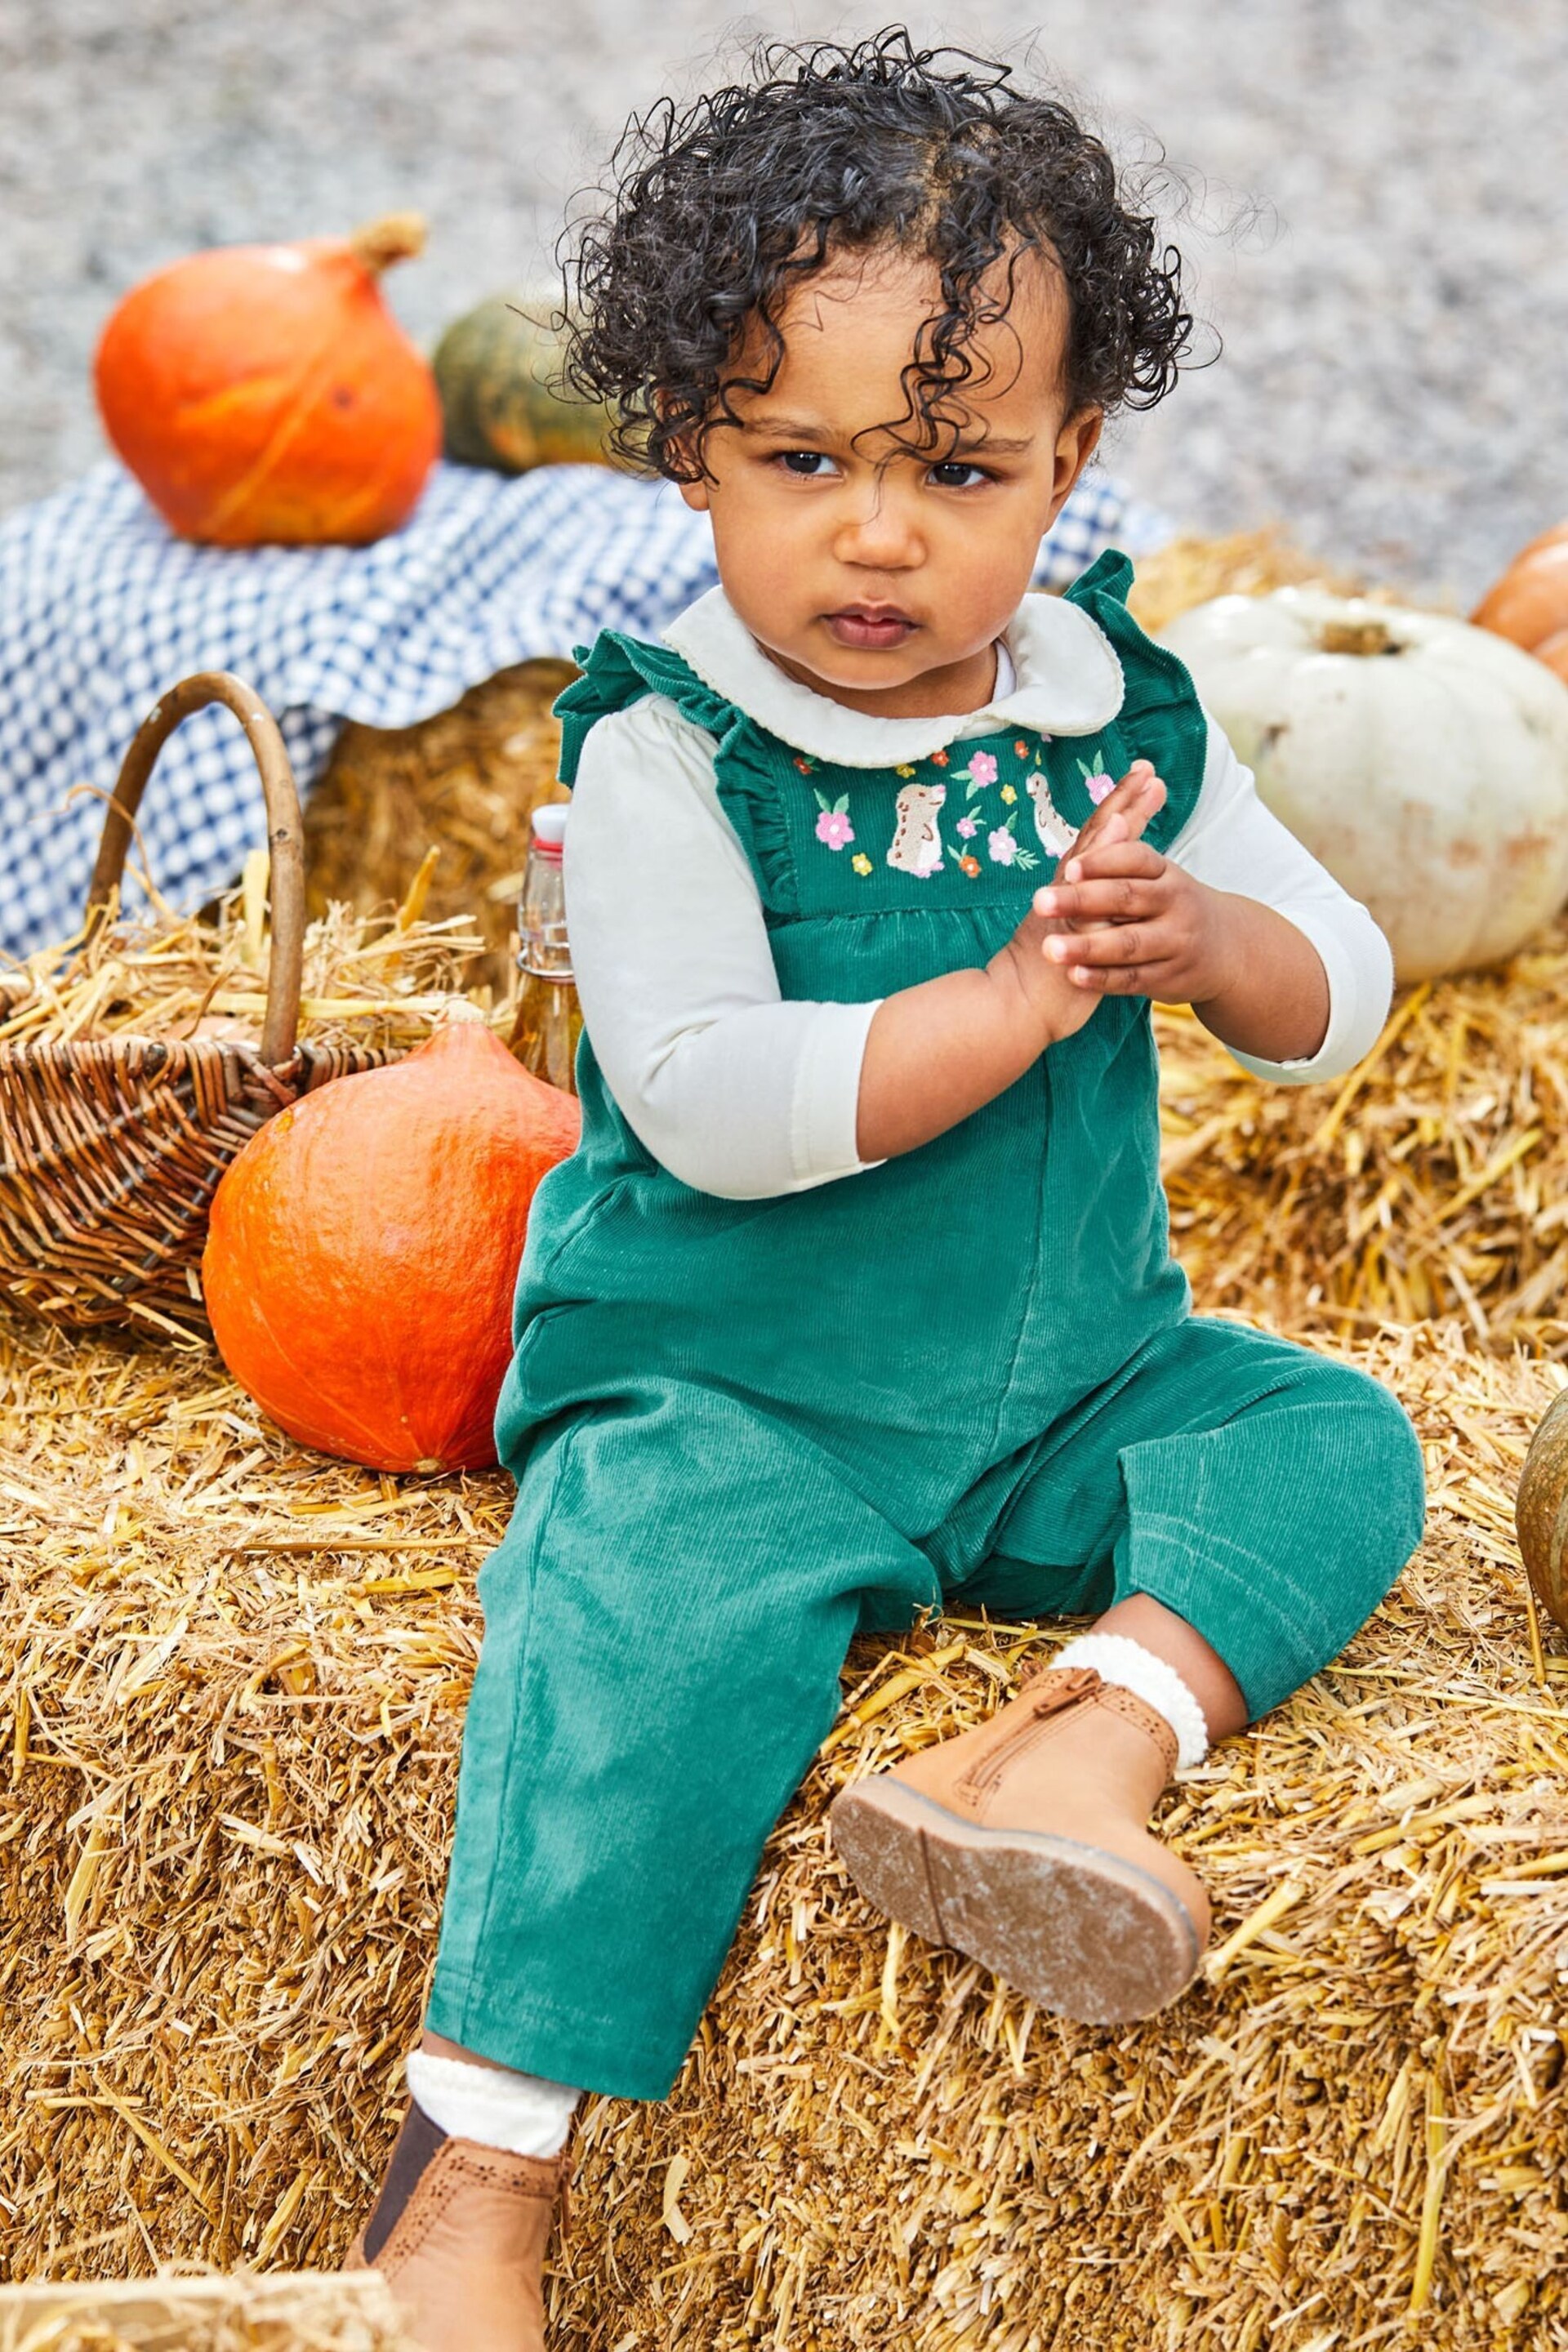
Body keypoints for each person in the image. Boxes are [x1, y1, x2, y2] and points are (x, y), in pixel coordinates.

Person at [347, 33, 1426, 2346]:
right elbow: (720, 1099)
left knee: (1335, 1441)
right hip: (735, 1392)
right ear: (687, 456)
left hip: (1060, 1389)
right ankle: (471, 2195)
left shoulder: (1117, 711)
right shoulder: (666, 750)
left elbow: (1340, 985)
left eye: (956, 468)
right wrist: (1025, 1006)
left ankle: (1075, 1748)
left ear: (1072, 465)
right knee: (620, 1655)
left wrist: (1208, 946)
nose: (875, 531)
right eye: (801, 459)